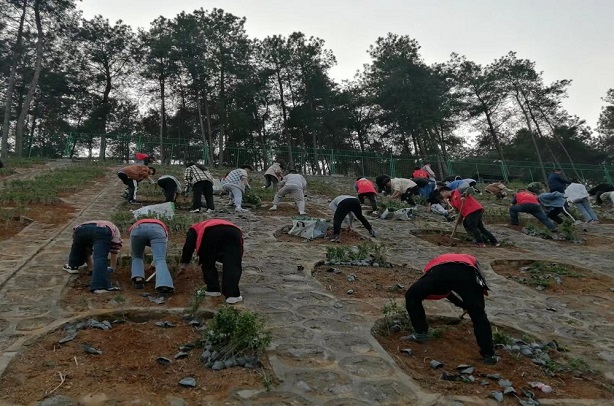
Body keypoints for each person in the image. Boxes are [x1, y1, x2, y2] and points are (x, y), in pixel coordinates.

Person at [402, 253, 499, 365]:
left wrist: (463, 305)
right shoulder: (471, 263)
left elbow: (444, 288)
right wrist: (468, 305)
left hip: (440, 273)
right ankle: (489, 355)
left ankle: (420, 333)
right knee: (478, 315)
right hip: (466, 274)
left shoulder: (435, 266)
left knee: (412, 296)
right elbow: (450, 291)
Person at [180, 219, 244, 304]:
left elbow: (188, 246)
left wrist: (184, 264)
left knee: (207, 262)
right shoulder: (221, 223)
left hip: (210, 232)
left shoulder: (194, 228)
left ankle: (213, 290)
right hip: (234, 232)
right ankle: (233, 296)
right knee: (232, 264)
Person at [62, 220, 123, 293]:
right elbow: (114, 250)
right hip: (102, 230)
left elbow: (87, 250)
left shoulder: (91, 223)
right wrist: (112, 267)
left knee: (79, 247)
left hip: (80, 229)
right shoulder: (115, 231)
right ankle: (100, 286)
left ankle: (73, 266)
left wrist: (91, 268)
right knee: (100, 257)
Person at [129, 218, 174, 293]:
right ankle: (164, 284)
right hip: (157, 230)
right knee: (160, 259)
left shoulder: (138, 223)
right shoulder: (163, 228)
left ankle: (138, 278)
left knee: (137, 256)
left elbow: (132, 248)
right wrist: (153, 265)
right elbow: (163, 251)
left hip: (137, 228)